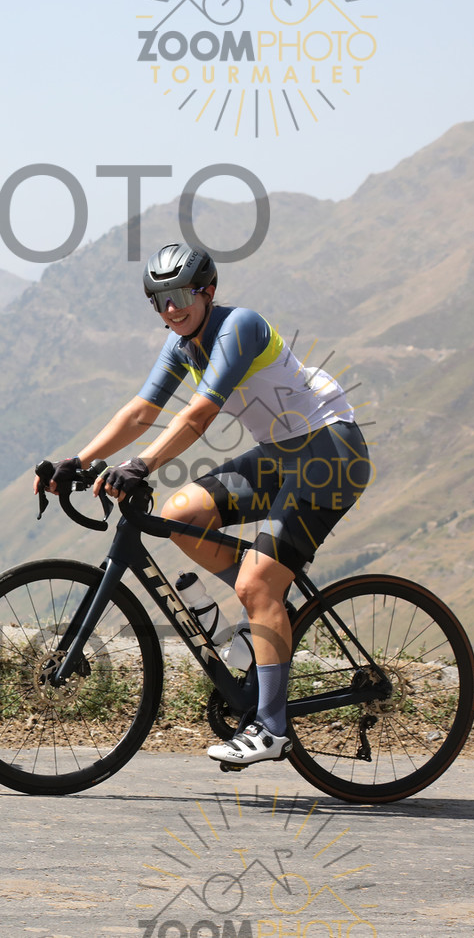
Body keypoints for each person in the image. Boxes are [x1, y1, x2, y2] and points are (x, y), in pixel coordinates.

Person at [37, 243, 371, 766]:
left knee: (256, 583)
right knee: (180, 515)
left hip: (329, 456)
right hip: (280, 455)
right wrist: (77, 461)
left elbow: (197, 416)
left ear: (208, 291)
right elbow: (140, 412)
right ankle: (265, 611)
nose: (171, 308)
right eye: (160, 300)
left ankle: (271, 728)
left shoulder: (240, 327)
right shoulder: (182, 345)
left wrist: (140, 465)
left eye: (181, 295)